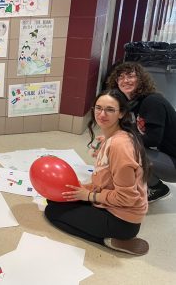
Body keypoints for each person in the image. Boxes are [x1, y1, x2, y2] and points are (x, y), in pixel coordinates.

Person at [45, 90, 150, 255]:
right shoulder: (112, 137)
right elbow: (105, 179)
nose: (102, 114)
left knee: (52, 212)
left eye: (110, 110)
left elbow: (127, 198)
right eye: (98, 108)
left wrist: (87, 196)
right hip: (111, 205)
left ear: (121, 113)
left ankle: (108, 241)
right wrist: (82, 187)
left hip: (122, 221)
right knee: (54, 200)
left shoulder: (119, 146)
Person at [107, 62, 176, 202]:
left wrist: (119, 139)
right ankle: (141, 184)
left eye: (131, 76)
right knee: (122, 145)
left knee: (127, 150)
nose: (125, 80)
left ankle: (157, 188)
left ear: (141, 80)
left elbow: (152, 139)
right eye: (121, 77)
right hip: (166, 155)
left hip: (173, 160)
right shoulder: (132, 104)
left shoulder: (152, 102)